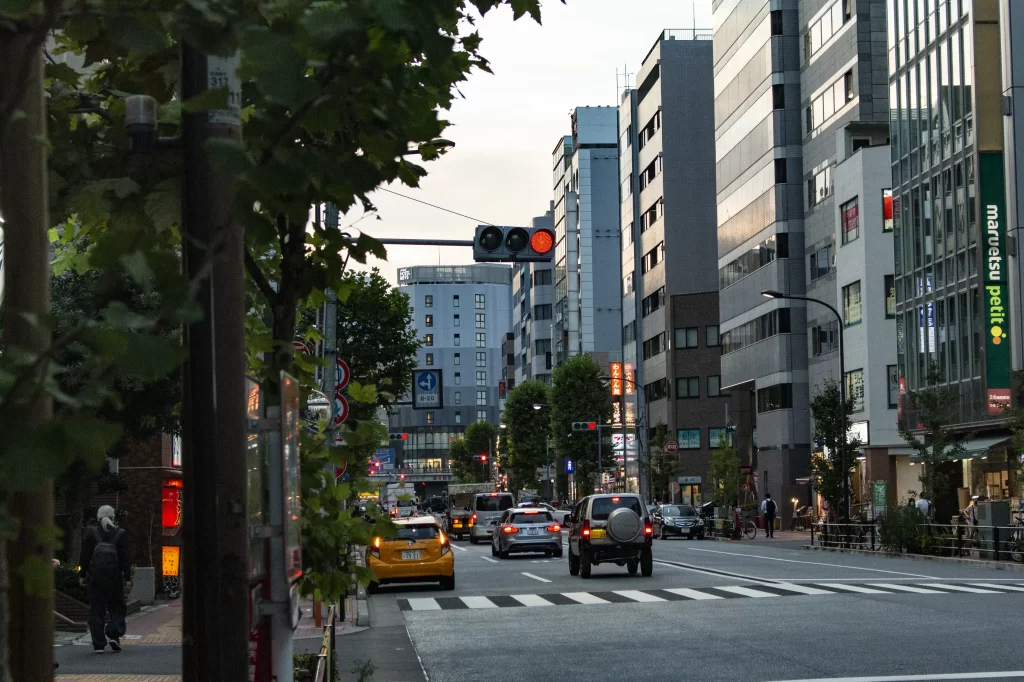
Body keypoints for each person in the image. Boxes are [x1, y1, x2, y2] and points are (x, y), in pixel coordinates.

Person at [79, 506, 130, 653]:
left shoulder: (91, 532)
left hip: (95, 579)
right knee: (117, 607)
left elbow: (85, 556)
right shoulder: (120, 533)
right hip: (114, 579)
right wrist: (127, 578)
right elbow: (125, 558)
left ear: (98, 517)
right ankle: (114, 635)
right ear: (113, 517)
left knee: (97, 610)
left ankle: (98, 644)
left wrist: (82, 575)